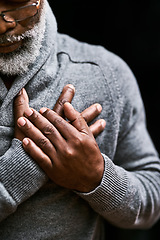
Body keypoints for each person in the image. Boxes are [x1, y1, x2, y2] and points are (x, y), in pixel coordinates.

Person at [0, 0, 160, 239]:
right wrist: (21, 168)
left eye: (16, 2)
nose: (2, 26)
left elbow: (153, 200)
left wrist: (97, 177)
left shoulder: (105, 73)